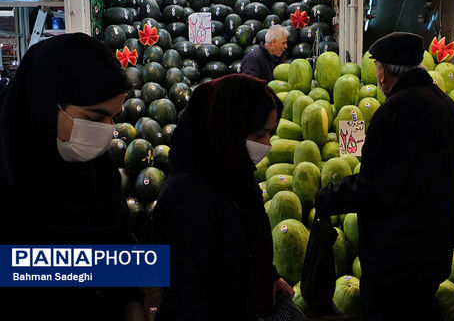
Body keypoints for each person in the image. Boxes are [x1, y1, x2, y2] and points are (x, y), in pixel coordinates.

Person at [314, 32, 454, 320]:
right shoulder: (446, 104)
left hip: (397, 259)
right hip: (433, 251)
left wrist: (329, 197)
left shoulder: (397, 110)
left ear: (382, 72)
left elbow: (377, 186)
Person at [0, 33, 147, 320]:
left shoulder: (97, 169)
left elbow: (116, 240)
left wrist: (131, 298)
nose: (108, 131)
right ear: (43, 104)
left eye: (113, 118)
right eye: (94, 118)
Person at [153, 74, 295, 320]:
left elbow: (245, 237)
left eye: (270, 133)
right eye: (260, 134)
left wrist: (267, 276)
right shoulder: (186, 197)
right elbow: (186, 295)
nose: (267, 144)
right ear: (227, 127)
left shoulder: (235, 174)